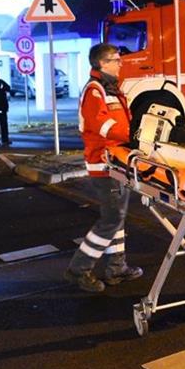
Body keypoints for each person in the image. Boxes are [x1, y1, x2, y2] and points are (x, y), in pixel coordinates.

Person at [63, 43, 143, 292]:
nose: (121, 63)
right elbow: (102, 125)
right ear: (102, 63)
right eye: (116, 60)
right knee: (110, 219)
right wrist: (133, 135)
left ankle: (116, 267)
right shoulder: (95, 90)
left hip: (117, 161)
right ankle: (79, 269)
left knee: (117, 218)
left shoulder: (110, 89)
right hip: (104, 163)